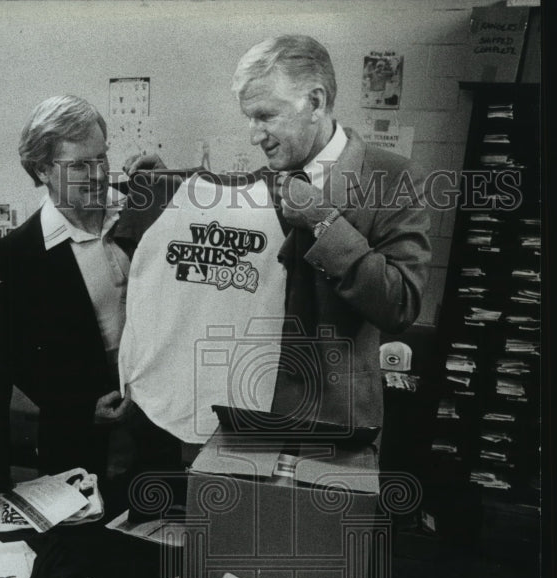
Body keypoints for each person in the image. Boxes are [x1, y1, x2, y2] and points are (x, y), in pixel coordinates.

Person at [126, 34, 431, 439]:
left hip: (333, 420)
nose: (254, 135)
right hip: (246, 407)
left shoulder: (394, 178)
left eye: (266, 116)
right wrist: (165, 187)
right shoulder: (269, 180)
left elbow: (400, 304)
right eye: (249, 118)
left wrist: (323, 220)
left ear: (316, 103)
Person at [0, 96, 143, 480]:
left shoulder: (139, 212)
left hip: (153, 421)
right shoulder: (22, 251)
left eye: (102, 159)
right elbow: (18, 356)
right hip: (81, 439)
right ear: (43, 169)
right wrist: (79, 408)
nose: (97, 175)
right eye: (79, 165)